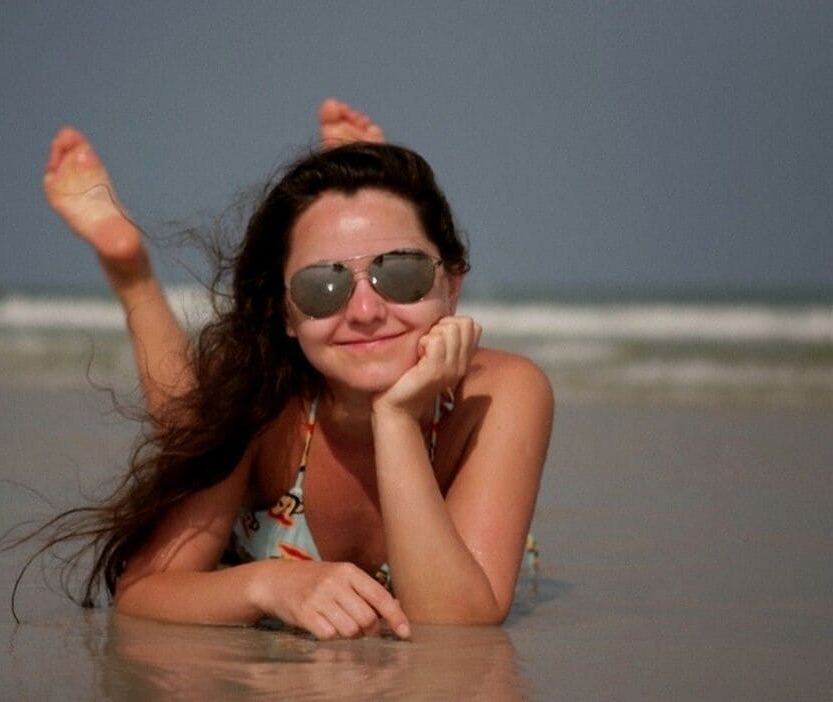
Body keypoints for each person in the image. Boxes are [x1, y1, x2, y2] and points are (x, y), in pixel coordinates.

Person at [40, 98, 553, 641]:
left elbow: (454, 624)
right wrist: (267, 585)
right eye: (322, 285)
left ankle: (349, 206)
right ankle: (132, 274)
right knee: (188, 424)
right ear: (285, 313)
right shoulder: (264, 405)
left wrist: (397, 418)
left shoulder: (498, 395)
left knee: (196, 417)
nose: (365, 311)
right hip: (260, 409)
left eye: (401, 272)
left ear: (452, 284)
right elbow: (143, 592)